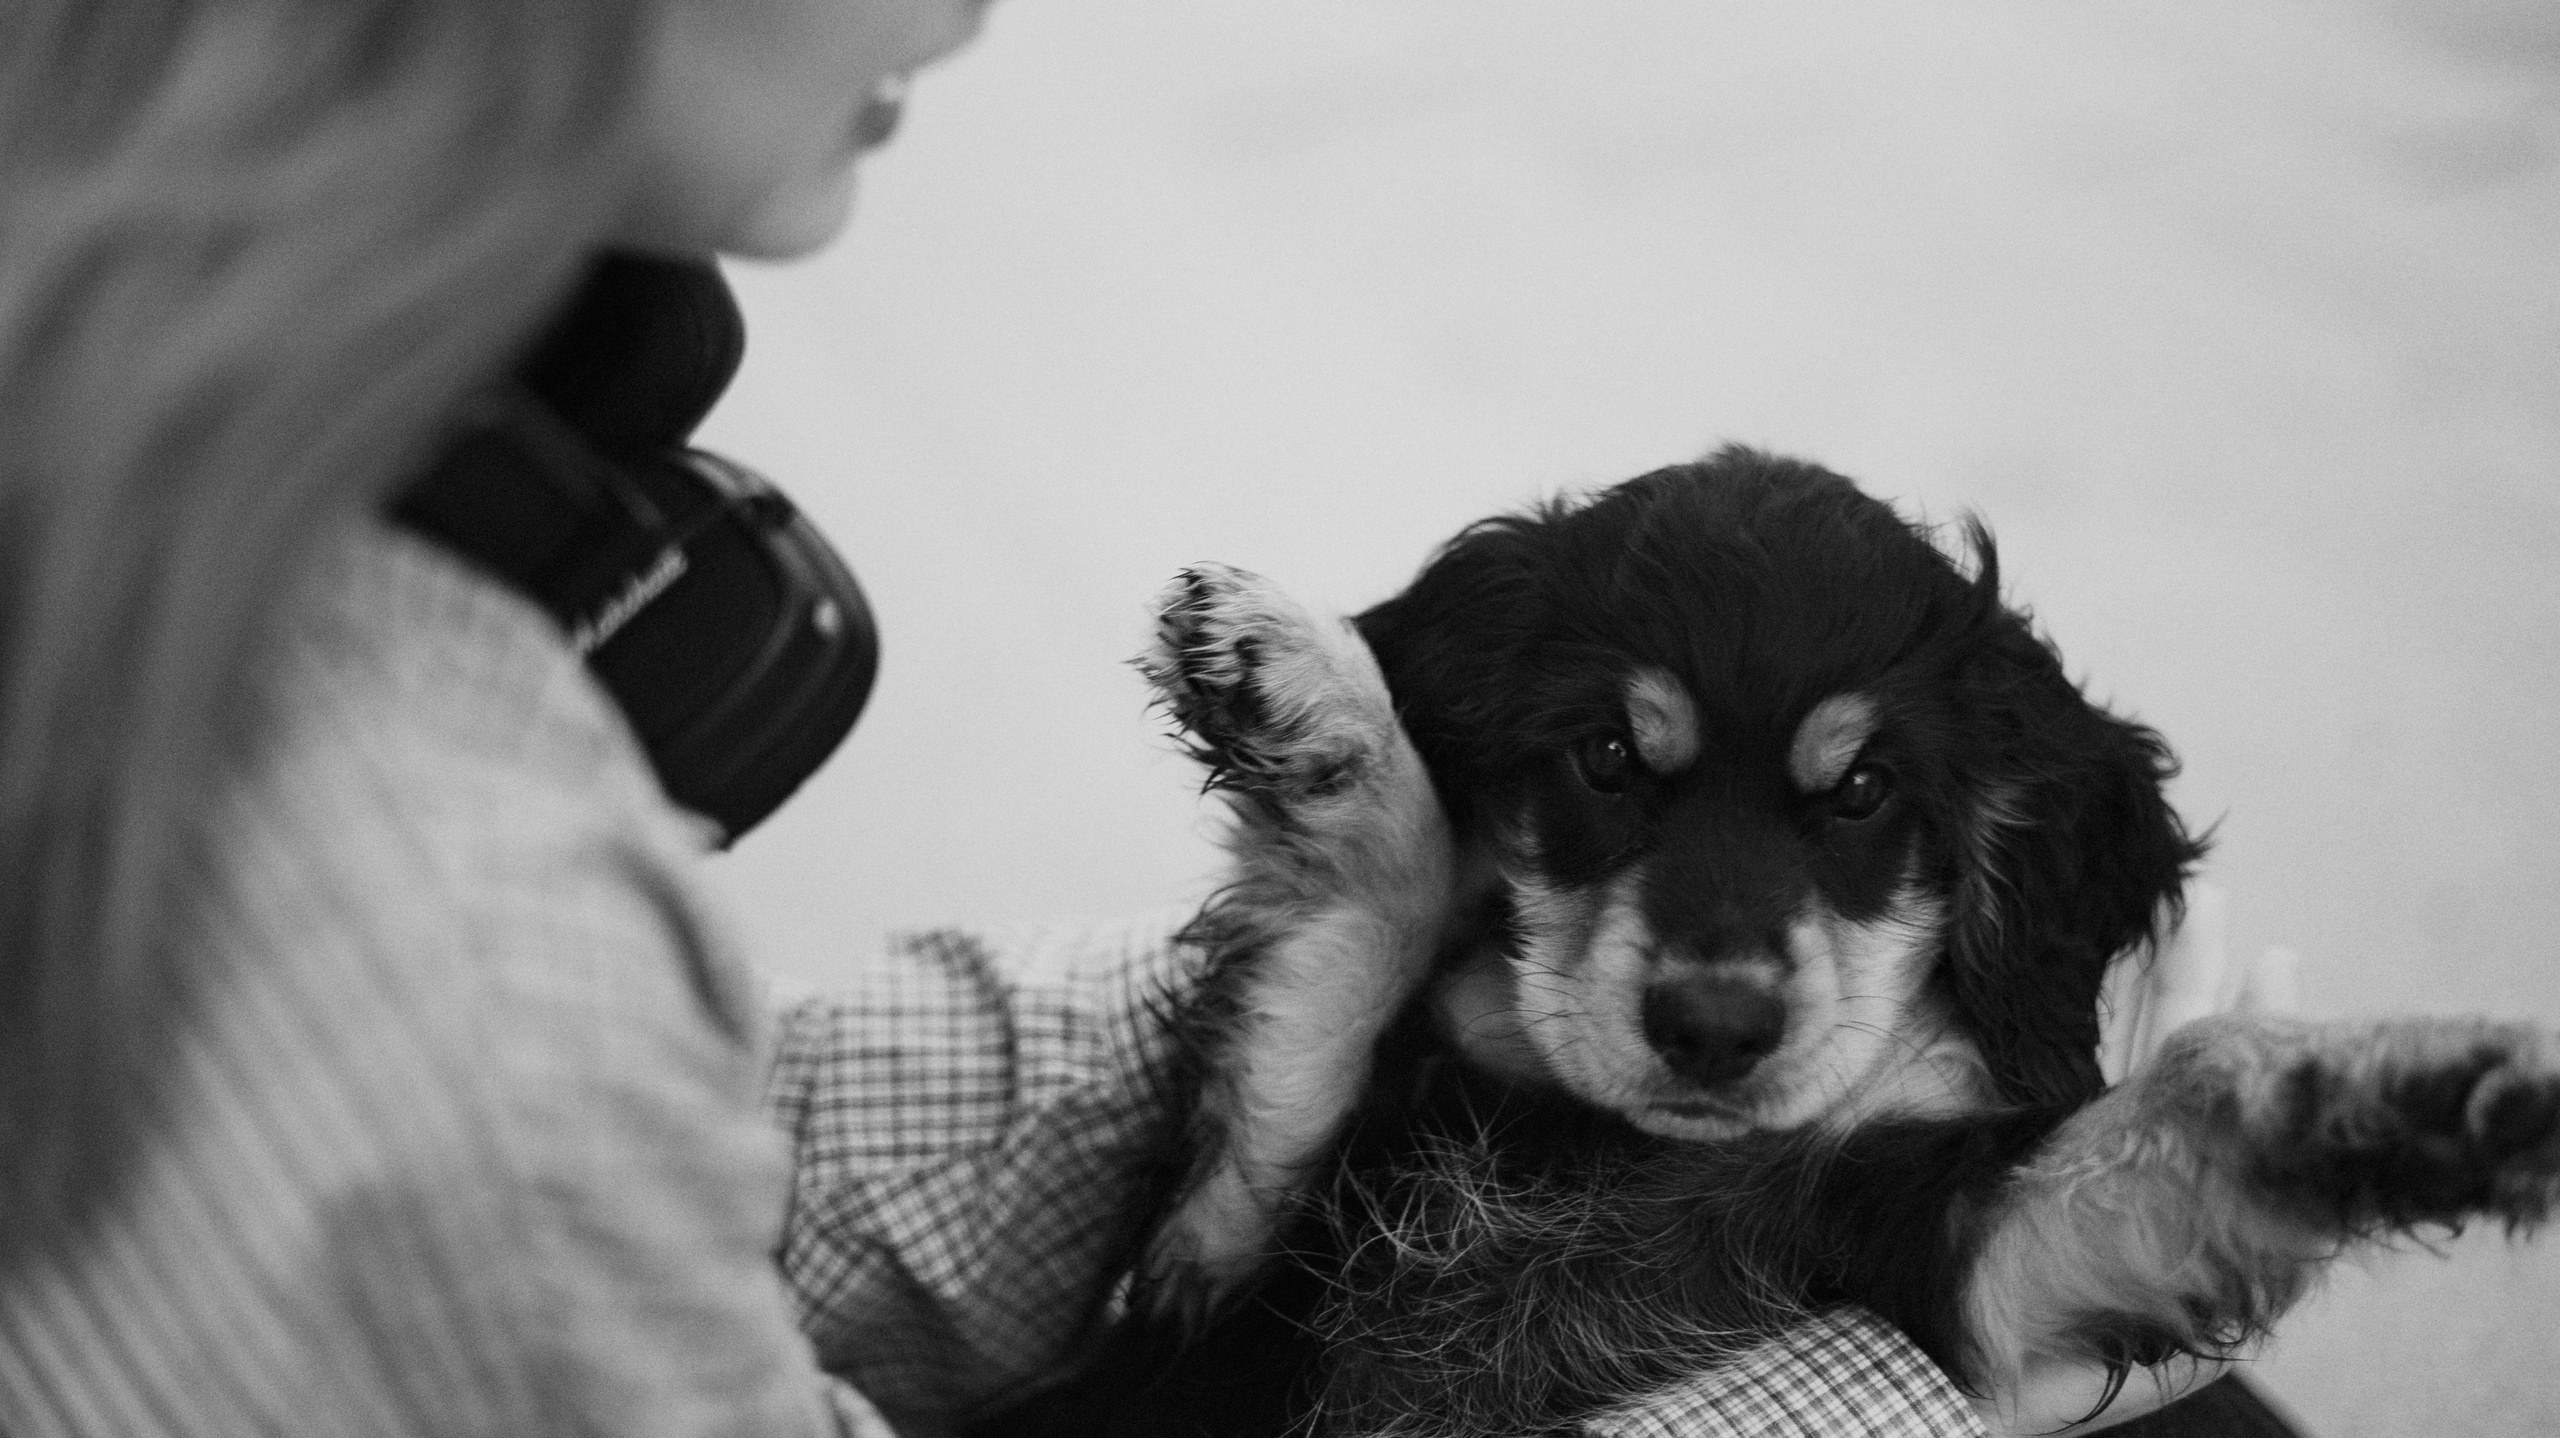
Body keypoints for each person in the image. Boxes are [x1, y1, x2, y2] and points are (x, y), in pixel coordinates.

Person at [0, 2, 2272, 1434]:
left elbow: (605, 1158)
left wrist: (1323, 990)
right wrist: (1913, 1358)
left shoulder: (185, 555)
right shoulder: (474, 930)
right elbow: (522, 1104)